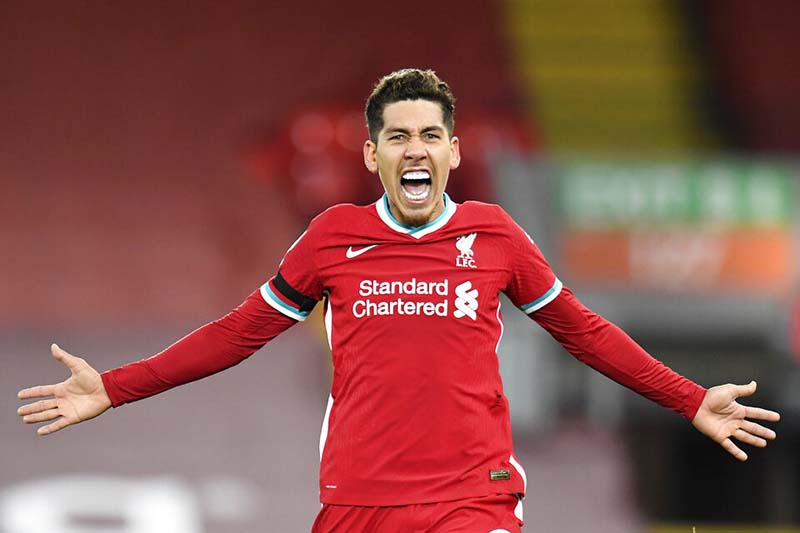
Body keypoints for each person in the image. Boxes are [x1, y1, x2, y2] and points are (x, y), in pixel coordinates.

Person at [17, 69, 780, 533]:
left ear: (451, 151)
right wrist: (116, 387)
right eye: (397, 135)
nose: (415, 146)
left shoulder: (496, 237)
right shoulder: (331, 240)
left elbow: (583, 332)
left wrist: (688, 399)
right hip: (359, 501)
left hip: (470, 498)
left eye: (429, 133)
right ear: (372, 154)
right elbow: (236, 334)